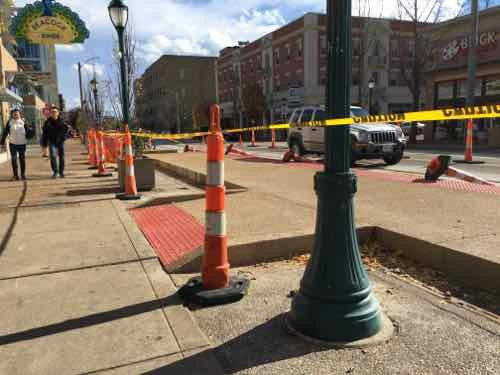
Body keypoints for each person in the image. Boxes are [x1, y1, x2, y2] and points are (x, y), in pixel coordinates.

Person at [0, 109, 34, 180]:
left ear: (20, 114)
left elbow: (28, 131)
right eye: (14, 114)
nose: (15, 115)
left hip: (22, 143)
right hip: (13, 144)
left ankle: (23, 174)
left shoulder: (23, 121)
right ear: (12, 115)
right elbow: (5, 132)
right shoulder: (10, 122)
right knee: (14, 159)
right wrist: (2, 142)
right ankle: (15, 175)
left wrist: (30, 129)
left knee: (22, 159)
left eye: (17, 114)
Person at [42, 106, 69, 178]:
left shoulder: (62, 122)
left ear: (58, 113)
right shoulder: (47, 123)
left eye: (55, 112)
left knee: (61, 157)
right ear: (50, 113)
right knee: (53, 156)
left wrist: (64, 138)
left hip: (60, 142)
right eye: (52, 112)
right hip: (51, 142)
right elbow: (44, 134)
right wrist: (44, 145)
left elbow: (67, 131)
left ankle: (61, 172)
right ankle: (55, 172)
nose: (54, 113)